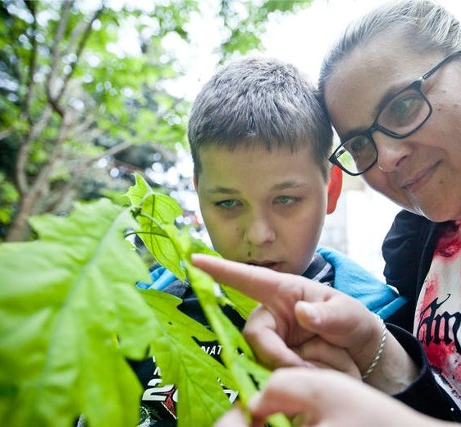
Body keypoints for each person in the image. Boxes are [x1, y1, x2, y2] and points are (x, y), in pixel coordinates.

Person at [191, 0, 461, 425]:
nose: (387, 156)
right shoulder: (413, 255)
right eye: (361, 143)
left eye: (404, 106)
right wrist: (380, 352)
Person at [132, 56, 407, 425]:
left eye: (286, 200)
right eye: (228, 203)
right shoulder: (137, 309)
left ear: (332, 189)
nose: (259, 234)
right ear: (199, 195)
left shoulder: (385, 326)